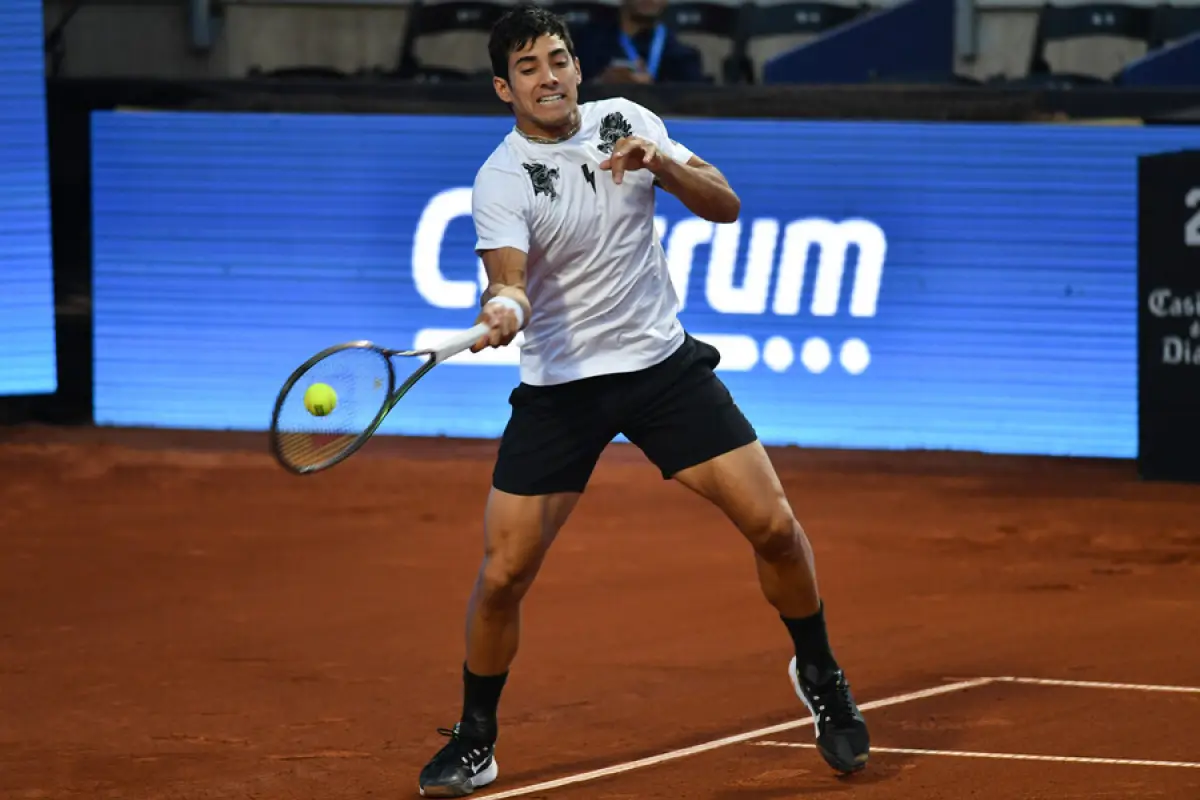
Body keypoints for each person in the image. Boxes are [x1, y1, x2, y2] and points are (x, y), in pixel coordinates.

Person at [416, 5, 870, 796]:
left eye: (558, 59)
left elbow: (725, 204)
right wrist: (503, 312)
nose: (548, 75)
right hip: (561, 390)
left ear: (577, 70)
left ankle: (822, 671)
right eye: (528, 67)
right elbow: (509, 279)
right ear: (503, 88)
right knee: (503, 576)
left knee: (775, 526)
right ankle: (476, 737)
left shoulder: (627, 118)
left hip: (662, 370)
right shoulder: (500, 178)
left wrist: (659, 160)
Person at [571, 0, 707, 85]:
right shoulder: (589, 44)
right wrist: (600, 84)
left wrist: (653, 91)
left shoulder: (683, 55)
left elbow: (696, 105)